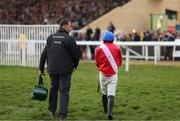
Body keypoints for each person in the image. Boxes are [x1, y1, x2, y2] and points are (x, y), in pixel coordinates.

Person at [39, 19, 79, 120]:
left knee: (53, 89)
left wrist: (41, 68)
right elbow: (76, 55)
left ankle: (51, 111)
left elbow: (44, 54)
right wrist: (75, 66)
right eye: (70, 26)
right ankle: (62, 115)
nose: (71, 28)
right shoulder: (69, 39)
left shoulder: (50, 38)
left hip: (52, 69)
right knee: (64, 92)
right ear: (65, 26)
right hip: (65, 70)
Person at [95, 31, 122, 120]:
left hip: (102, 74)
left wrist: (101, 68)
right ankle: (110, 112)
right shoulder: (117, 48)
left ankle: (105, 110)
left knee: (104, 92)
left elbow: (97, 63)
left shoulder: (99, 49)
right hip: (113, 74)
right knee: (111, 94)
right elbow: (120, 61)